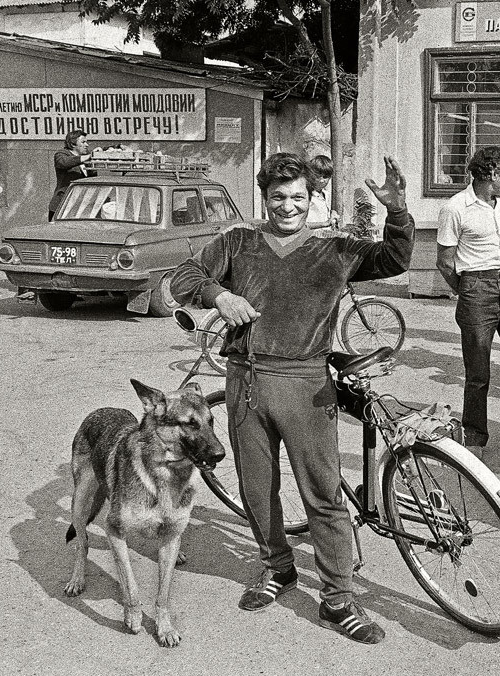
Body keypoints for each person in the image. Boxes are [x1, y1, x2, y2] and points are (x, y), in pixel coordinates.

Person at [170, 153, 413, 644]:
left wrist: (399, 212)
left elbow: (394, 259)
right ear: (265, 197)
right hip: (247, 382)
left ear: (312, 198)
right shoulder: (238, 243)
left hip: (307, 387)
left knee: (322, 495)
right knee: (257, 490)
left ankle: (338, 599)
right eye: (278, 197)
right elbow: (182, 280)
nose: (287, 206)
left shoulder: (335, 251)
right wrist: (220, 296)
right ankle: (279, 568)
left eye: (298, 197)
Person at [436, 146, 500, 456]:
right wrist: (468, 288)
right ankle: (475, 437)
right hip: (476, 290)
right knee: (478, 373)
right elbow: (444, 261)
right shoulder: (455, 208)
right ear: (493, 175)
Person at [49, 129, 92, 220]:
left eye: (87, 142)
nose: (87, 145)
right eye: (83, 142)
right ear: (73, 144)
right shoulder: (61, 154)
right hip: (62, 205)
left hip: (81, 206)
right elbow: (63, 162)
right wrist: (85, 158)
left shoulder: (87, 156)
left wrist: (118, 146)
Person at [306, 154, 341, 228]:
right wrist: (324, 224)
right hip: (310, 236)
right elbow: (301, 226)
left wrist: (332, 213)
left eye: (325, 177)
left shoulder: (326, 194)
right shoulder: (307, 195)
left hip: (324, 236)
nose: (321, 180)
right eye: (317, 176)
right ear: (310, 175)